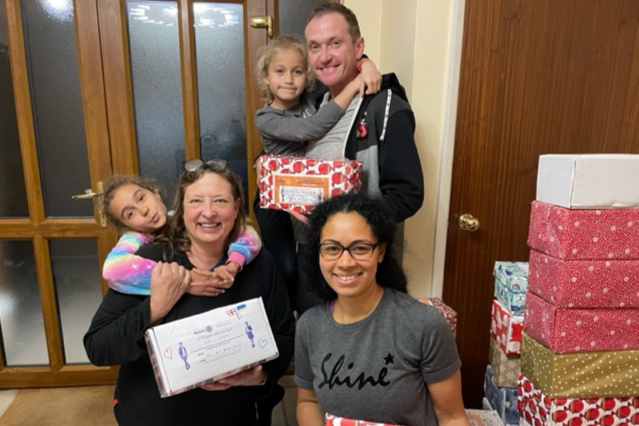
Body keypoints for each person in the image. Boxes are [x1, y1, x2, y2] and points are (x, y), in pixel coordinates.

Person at [84, 160, 295, 426]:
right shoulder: (148, 263)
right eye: (196, 201)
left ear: (236, 206)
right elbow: (98, 347)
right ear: (181, 209)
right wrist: (155, 308)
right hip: (153, 415)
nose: (208, 212)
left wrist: (260, 376)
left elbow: (284, 336)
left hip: (234, 415)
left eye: (220, 200)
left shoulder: (259, 262)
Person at [290, 3, 425, 314]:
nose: (324, 56)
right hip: (310, 263)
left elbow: (408, 194)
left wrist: (347, 228)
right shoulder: (310, 104)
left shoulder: (385, 107)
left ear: (358, 46)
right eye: (315, 47)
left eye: (335, 43)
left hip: (361, 273)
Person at [294, 194, 470, 426]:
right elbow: (308, 401)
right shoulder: (309, 326)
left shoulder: (423, 324)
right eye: (332, 248)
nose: (345, 262)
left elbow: (452, 417)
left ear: (381, 251)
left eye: (360, 248)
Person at [253, 34, 381, 310]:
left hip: (306, 194)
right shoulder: (266, 117)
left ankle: (318, 316)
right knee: (285, 266)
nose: (289, 79)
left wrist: (366, 64)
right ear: (265, 77)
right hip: (275, 205)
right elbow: (310, 130)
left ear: (307, 76)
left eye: (298, 71)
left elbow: (340, 74)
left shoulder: (313, 100)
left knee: (313, 258)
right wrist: (357, 84)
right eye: (280, 71)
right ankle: (282, 317)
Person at [100, 175, 262, 296]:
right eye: (130, 214)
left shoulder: (185, 216)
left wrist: (234, 263)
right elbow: (112, 269)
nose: (144, 210)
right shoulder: (135, 237)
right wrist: (184, 280)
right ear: (127, 227)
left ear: (155, 193)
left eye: (142, 198)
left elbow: (246, 232)